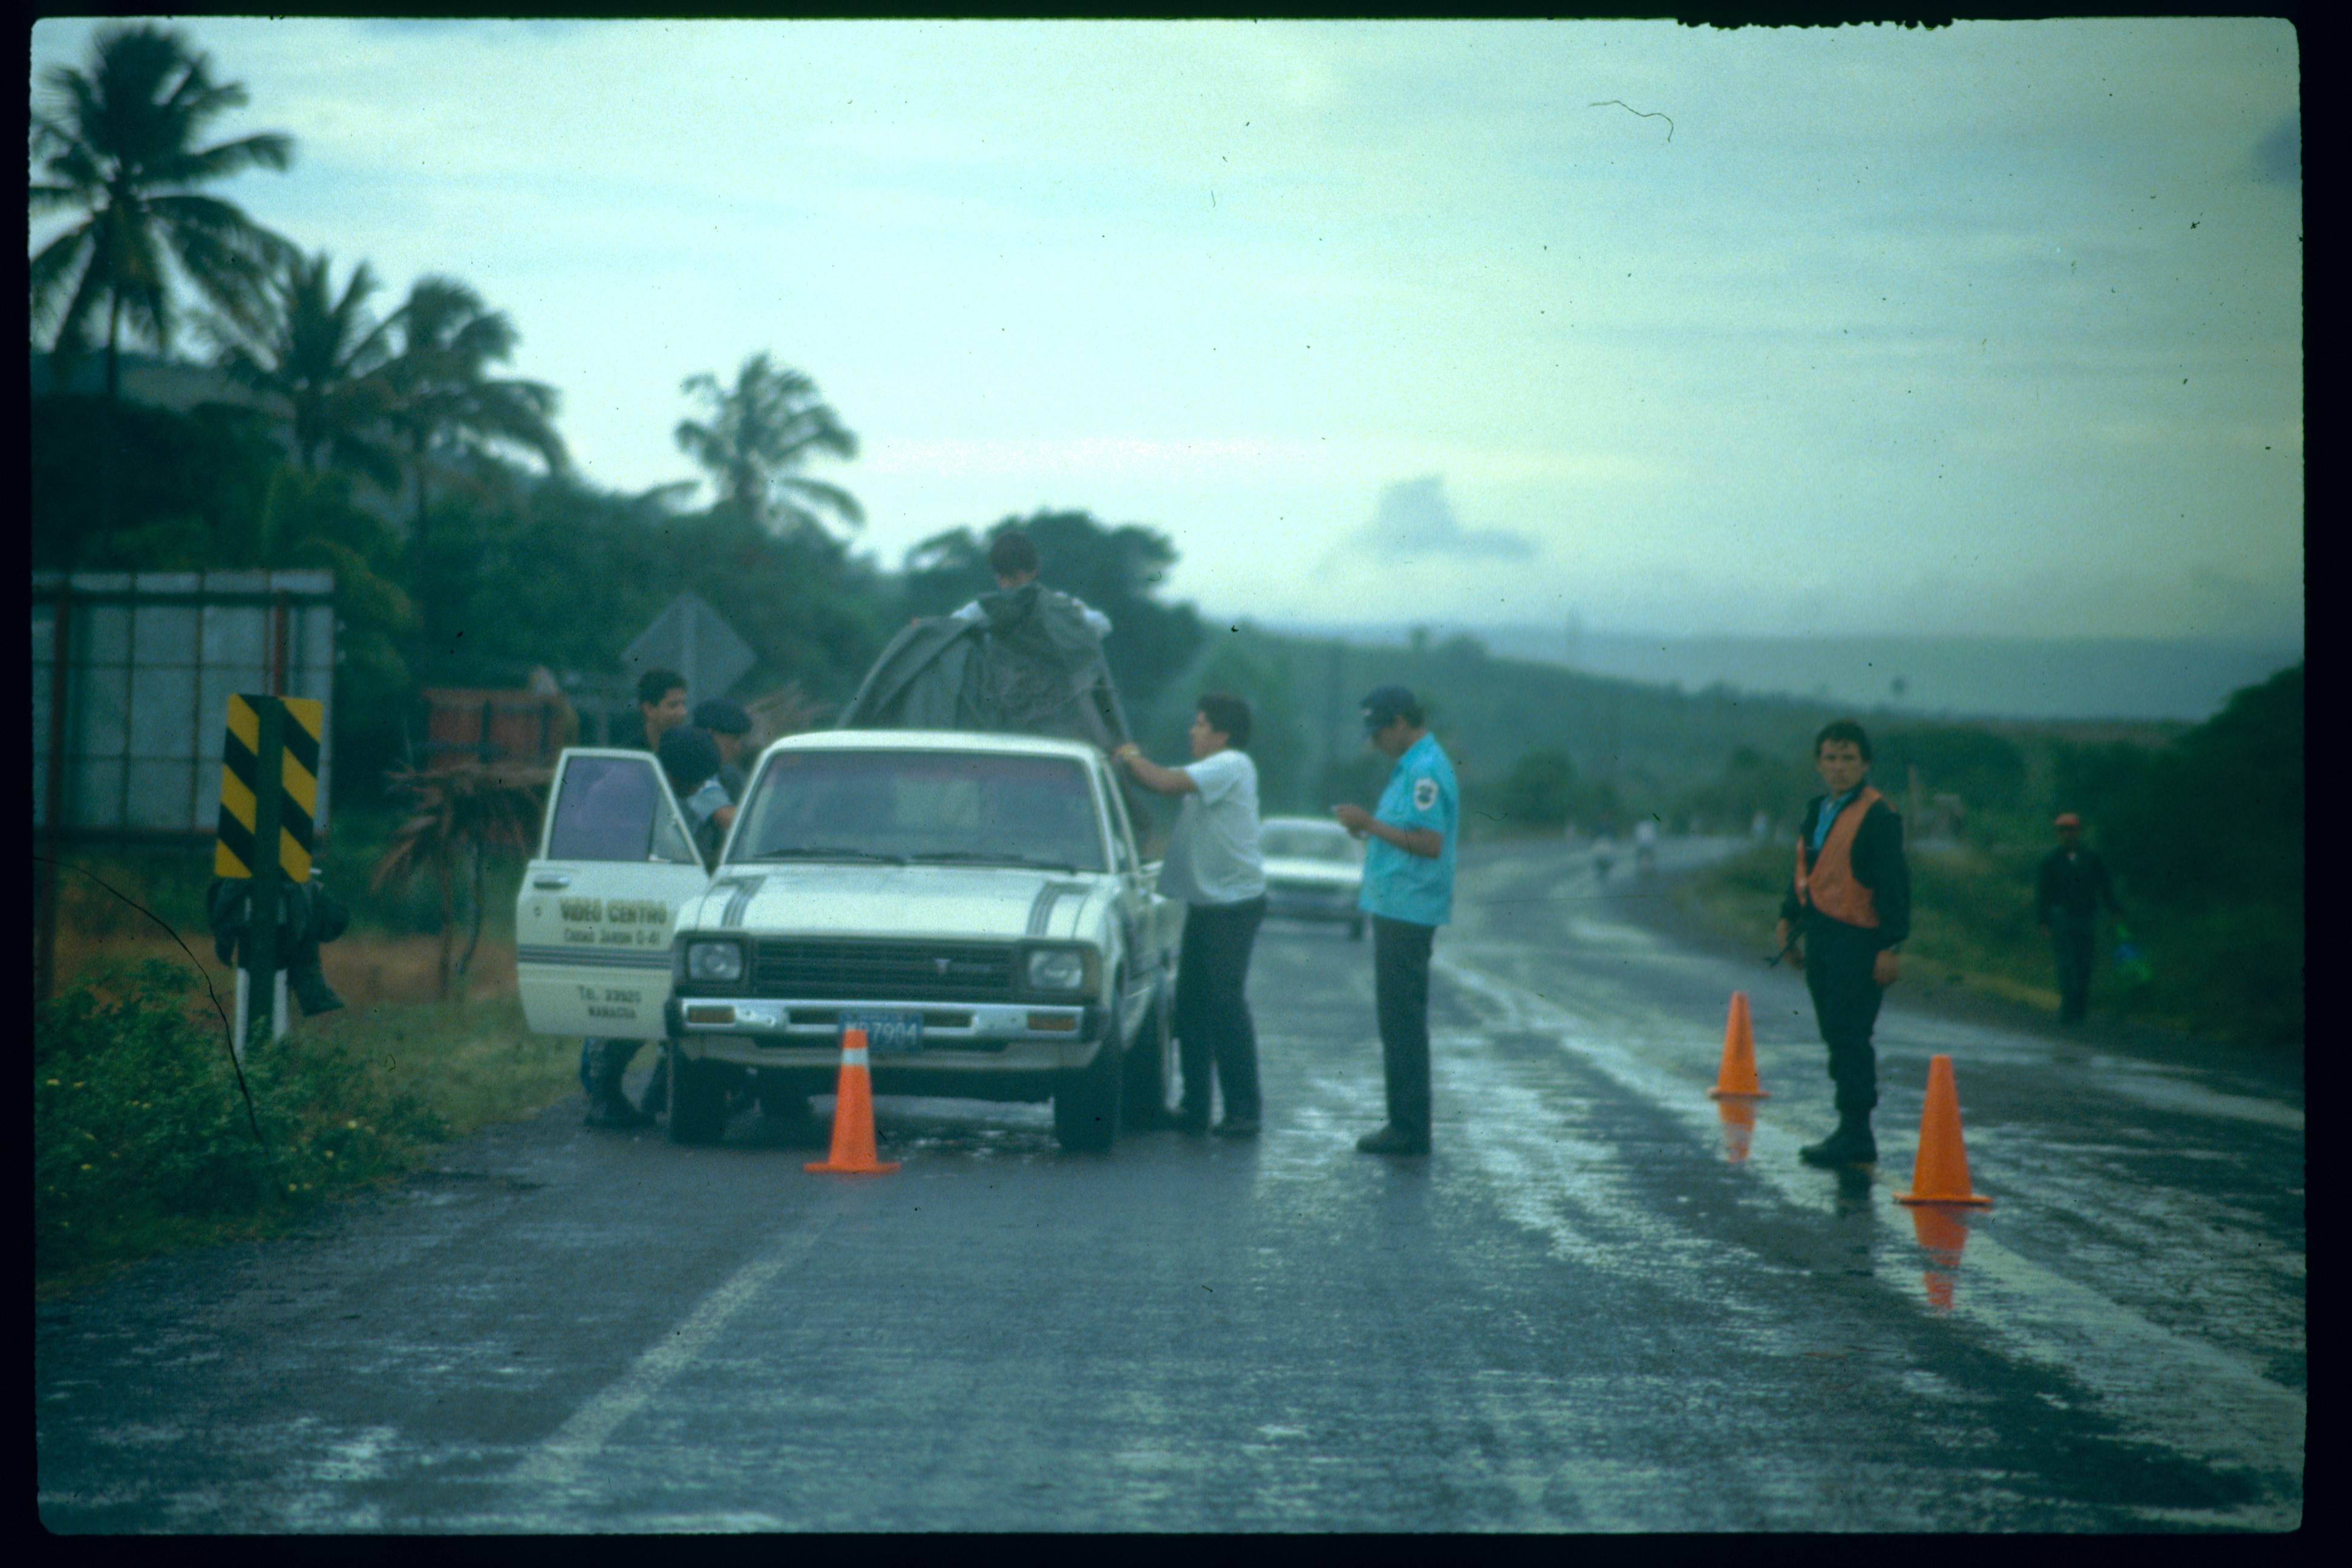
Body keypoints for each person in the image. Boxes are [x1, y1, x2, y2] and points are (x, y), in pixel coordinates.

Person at [1113, 693, 1267, 1137]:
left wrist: (1131, 755)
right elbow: (1159, 783)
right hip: (1208, 904)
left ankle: (1244, 1111)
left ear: (1223, 734)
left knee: (1225, 1003)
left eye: (1200, 724)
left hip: (1233, 906)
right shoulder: (1213, 771)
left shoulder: (1231, 764)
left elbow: (1163, 782)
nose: (1192, 731)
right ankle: (1195, 1108)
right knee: (1192, 1006)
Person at [1774, 719, 1911, 1169]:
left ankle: (1857, 1133)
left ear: (1865, 763)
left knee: (1851, 1034)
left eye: (1849, 758)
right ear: (1819, 763)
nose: (1839, 767)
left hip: (1860, 940)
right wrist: (1788, 919)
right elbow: (1806, 872)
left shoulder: (1879, 815)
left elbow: (1894, 883)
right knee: (1835, 1031)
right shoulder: (1819, 810)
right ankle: (1849, 1130)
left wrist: (1890, 946)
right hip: (1822, 936)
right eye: (1831, 758)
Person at [1333, 687, 1457, 1157]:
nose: (1376, 741)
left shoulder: (1424, 770)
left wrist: (1369, 825)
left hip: (1410, 907)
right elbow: (1405, 835)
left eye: (1379, 731)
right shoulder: (1411, 766)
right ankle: (1405, 1123)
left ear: (1401, 723)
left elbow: (1429, 842)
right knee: (1398, 1017)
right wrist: (1371, 830)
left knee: (1402, 1018)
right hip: (1397, 905)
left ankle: (1408, 1128)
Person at [582, 667, 694, 1127]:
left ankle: (650, 1095)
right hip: (629, 885)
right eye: (672, 704)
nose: (681, 712)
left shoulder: (684, 753)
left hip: (671, 887)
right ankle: (600, 1093)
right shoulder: (628, 762)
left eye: (684, 703)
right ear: (648, 709)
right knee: (622, 999)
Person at [2037, 812, 2125, 1026]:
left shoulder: (2092, 858)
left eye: (2072, 830)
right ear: (2058, 834)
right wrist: (2044, 921)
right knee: (2066, 964)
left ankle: (2081, 1008)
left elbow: (2105, 886)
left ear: (2079, 833)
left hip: (2086, 917)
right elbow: (2043, 894)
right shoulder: (2050, 861)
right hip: (2062, 918)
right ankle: (2068, 1009)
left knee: (2084, 964)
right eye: (2063, 831)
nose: (2068, 835)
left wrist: (2115, 910)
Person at [949, 530, 1114, 639]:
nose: (1008, 585)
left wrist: (1067, 616)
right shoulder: (984, 609)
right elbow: (949, 627)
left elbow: (1102, 625)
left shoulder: (1056, 603)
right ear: (996, 577)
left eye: (1015, 578)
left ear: (1033, 572)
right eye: (1003, 578)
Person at [694, 697, 756, 799]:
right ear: (710, 734)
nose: (738, 748)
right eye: (734, 739)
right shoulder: (694, 777)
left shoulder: (729, 775)